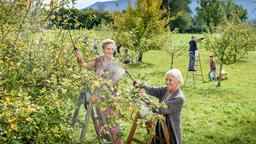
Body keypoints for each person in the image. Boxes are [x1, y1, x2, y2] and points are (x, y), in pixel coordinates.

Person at [74, 39, 123, 144]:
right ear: (103, 49)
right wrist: (79, 58)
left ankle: (116, 142)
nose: (110, 51)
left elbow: (114, 82)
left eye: (112, 49)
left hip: (111, 96)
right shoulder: (98, 60)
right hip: (98, 95)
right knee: (101, 121)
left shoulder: (116, 63)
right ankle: (105, 141)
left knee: (112, 122)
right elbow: (84, 65)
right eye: (108, 49)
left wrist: (103, 88)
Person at [135, 68, 185, 144]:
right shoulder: (166, 90)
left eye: (170, 80)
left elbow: (160, 110)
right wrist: (140, 85)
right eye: (166, 79)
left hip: (171, 130)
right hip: (161, 126)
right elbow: (152, 90)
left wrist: (144, 98)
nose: (167, 82)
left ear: (178, 81)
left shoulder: (179, 98)